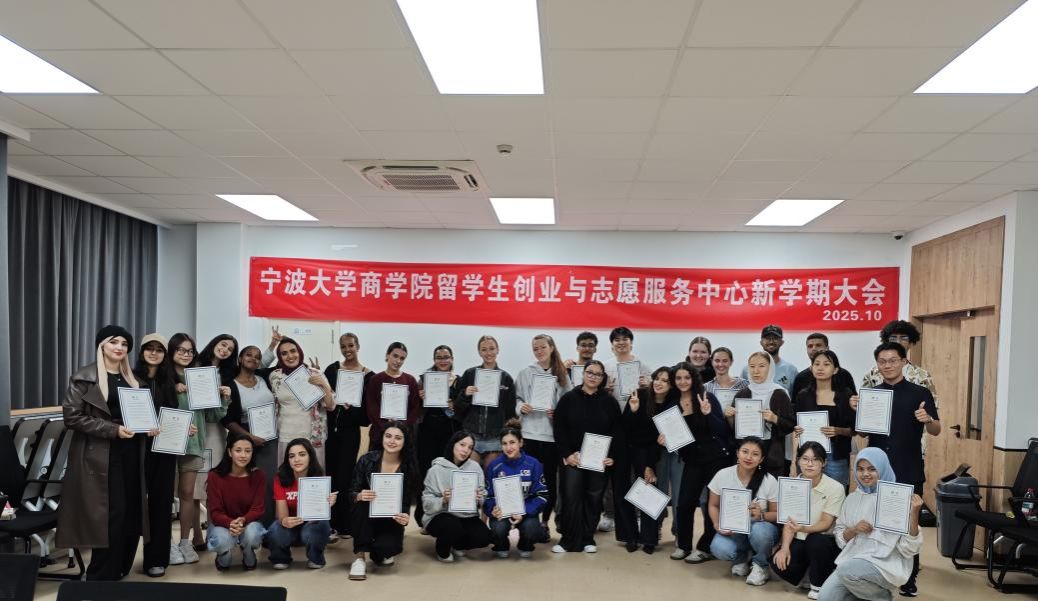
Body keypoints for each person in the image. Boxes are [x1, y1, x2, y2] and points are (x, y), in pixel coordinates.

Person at [57, 325, 153, 581]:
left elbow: (140, 416)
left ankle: (120, 567)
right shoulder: (84, 378)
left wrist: (150, 426)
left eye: (124, 344)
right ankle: (100, 575)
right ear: (101, 345)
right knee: (112, 513)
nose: (119, 347)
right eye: (114, 342)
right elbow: (72, 417)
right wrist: (113, 429)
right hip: (100, 454)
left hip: (131, 451)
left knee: (130, 510)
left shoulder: (134, 380)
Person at [851, 342, 939, 597]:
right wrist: (858, 410)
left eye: (892, 360)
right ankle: (879, 571)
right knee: (878, 522)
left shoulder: (919, 392)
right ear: (877, 365)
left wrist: (928, 419)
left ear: (903, 362)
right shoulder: (871, 394)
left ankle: (910, 577)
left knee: (909, 523)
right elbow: (862, 433)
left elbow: (936, 430)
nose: (887, 365)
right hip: (876, 470)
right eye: (882, 361)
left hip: (908, 466)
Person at [817, 449, 924, 601]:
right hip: (853, 561)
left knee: (847, 571)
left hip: (885, 564)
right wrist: (854, 530)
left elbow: (910, 549)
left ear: (883, 468)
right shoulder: (852, 499)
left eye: (872, 469)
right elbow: (840, 538)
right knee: (825, 597)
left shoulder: (896, 498)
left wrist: (914, 514)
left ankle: (883, 598)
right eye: (860, 469)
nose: (865, 474)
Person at [134, 333, 192, 577]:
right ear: (141, 352)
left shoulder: (168, 381)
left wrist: (183, 426)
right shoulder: (131, 378)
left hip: (164, 449)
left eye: (159, 349)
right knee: (132, 503)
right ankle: (123, 557)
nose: (154, 353)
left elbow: (172, 413)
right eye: (149, 348)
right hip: (135, 449)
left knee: (161, 503)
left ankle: (156, 559)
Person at [169, 332, 228, 562]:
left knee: (187, 494)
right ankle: (167, 544)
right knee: (164, 496)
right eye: (181, 350)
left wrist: (223, 398)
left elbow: (212, 416)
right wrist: (173, 389)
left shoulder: (199, 378)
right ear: (172, 351)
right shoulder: (164, 377)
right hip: (166, 445)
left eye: (190, 351)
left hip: (194, 445)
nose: (185, 354)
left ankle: (185, 542)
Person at [667, 362, 734, 563]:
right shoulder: (672, 404)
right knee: (684, 504)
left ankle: (705, 548)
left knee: (711, 504)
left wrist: (708, 414)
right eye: (678, 378)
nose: (683, 381)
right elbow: (676, 437)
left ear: (693, 379)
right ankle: (683, 546)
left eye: (686, 377)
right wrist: (666, 439)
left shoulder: (707, 397)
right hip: (693, 460)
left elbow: (723, 430)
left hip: (716, 458)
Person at [551, 360, 620, 553]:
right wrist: (567, 455)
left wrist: (612, 456)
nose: (593, 377)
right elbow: (559, 429)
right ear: (583, 373)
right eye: (590, 372)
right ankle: (567, 540)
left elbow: (617, 431)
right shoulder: (568, 399)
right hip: (574, 459)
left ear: (602, 378)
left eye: (598, 374)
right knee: (570, 497)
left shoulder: (610, 402)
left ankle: (588, 538)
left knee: (594, 497)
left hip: (598, 460)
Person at [770, 441, 846, 599]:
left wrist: (803, 528)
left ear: (824, 463)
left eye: (815, 459)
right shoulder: (791, 485)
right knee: (779, 564)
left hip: (824, 540)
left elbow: (826, 523)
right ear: (798, 461)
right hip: (800, 537)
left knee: (816, 541)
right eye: (805, 459)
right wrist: (784, 548)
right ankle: (808, 571)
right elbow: (788, 522)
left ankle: (818, 584)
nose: (809, 464)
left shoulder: (835, 488)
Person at [348, 422, 418, 581]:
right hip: (366, 515)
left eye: (398, 438)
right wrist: (359, 495)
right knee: (360, 506)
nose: (392, 441)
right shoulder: (366, 459)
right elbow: (351, 492)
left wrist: (405, 517)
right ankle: (359, 558)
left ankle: (377, 551)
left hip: (390, 518)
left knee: (387, 549)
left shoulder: (409, 466)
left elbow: (406, 501)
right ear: (382, 438)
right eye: (388, 436)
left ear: (405, 441)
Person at [707, 437, 780, 587]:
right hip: (734, 530)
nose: (749, 457)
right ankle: (743, 557)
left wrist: (761, 515)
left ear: (761, 459)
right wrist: (716, 524)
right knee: (719, 548)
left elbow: (777, 514)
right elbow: (713, 505)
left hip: (760, 527)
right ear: (737, 453)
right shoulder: (723, 475)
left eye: (755, 454)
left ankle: (761, 565)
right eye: (745, 451)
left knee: (760, 532)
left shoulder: (769, 480)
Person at [514, 334, 568, 531]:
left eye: (542, 347)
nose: (539, 351)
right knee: (528, 480)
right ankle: (529, 520)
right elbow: (516, 399)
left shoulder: (562, 374)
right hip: (529, 434)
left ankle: (545, 522)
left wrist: (558, 413)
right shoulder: (525, 373)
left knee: (549, 481)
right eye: (535, 348)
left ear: (551, 348)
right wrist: (521, 407)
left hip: (551, 437)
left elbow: (568, 403)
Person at [600, 326, 651, 534]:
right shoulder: (606, 366)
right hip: (613, 426)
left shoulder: (643, 366)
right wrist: (605, 391)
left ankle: (639, 515)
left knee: (638, 473)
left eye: (625, 339)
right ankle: (610, 514)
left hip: (636, 426)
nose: (621, 343)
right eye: (617, 340)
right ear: (612, 345)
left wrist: (646, 386)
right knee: (614, 474)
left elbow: (653, 396)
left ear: (631, 342)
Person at [323, 333, 373, 537]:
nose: (347, 350)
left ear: (358, 346)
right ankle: (328, 524)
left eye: (351, 345)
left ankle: (344, 524)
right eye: (343, 346)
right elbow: (323, 401)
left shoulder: (368, 376)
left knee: (345, 477)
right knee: (329, 476)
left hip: (350, 434)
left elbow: (366, 417)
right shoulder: (332, 370)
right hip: (329, 433)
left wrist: (352, 409)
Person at [222, 345, 277, 525]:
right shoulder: (231, 385)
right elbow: (227, 420)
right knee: (245, 483)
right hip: (244, 437)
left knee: (268, 481)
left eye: (257, 356)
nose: (253, 358)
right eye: (249, 355)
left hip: (269, 437)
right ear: (240, 358)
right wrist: (249, 438)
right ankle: (244, 525)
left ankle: (267, 526)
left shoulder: (264, 378)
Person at [421, 430, 492, 561]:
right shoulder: (435, 469)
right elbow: (426, 503)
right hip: (441, 515)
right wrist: (443, 499)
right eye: (462, 444)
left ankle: (457, 544)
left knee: (484, 537)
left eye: (470, 447)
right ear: (453, 444)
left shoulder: (475, 467)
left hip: (466, 515)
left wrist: (479, 498)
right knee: (452, 526)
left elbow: (483, 493)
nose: (465, 450)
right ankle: (442, 551)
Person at [267, 438, 337, 569]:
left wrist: (328, 504)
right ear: (287, 460)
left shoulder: (319, 477)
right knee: (275, 529)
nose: (296, 459)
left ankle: (316, 557)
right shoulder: (280, 478)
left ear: (310, 456)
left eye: (302, 454)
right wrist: (285, 521)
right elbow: (281, 515)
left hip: (311, 524)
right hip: (290, 525)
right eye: (291, 456)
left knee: (319, 526)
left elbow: (320, 514)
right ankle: (281, 557)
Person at [484, 420, 549, 558]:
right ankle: (501, 544)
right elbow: (487, 496)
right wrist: (492, 509)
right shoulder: (494, 466)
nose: (508, 447)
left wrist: (524, 511)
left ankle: (525, 544)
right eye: (504, 443)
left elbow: (542, 495)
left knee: (532, 529)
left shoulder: (533, 464)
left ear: (521, 442)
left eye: (512, 442)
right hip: (502, 512)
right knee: (498, 528)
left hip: (525, 511)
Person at [269, 337, 336, 466]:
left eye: (293, 351)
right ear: (280, 357)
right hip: (286, 434)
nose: (290, 356)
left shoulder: (315, 373)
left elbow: (330, 406)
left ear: (299, 352)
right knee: (287, 473)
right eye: (284, 353)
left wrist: (324, 385)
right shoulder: (275, 376)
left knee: (313, 474)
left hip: (312, 436)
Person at [205, 433, 267, 571]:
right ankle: (224, 555)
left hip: (248, 523)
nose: (243, 455)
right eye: (238, 450)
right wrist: (231, 523)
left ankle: (248, 552)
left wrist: (243, 520)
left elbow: (258, 508)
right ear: (229, 452)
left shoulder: (259, 476)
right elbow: (215, 512)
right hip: (223, 524)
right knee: (221, 541)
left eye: (248, 451)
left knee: (252, 535)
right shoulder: (214, 476)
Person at [794, 351, 856, 487]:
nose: (820, 368)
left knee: (837, 491)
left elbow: (854, 430)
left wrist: (838, 431)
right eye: (816, 364)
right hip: (808, 452)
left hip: (836, 453)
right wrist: (798, 429)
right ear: (811, 368)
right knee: (807, 491)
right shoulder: (803, 395)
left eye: (826, 364)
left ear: (835, 370)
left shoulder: (846, 395)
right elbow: (797, 422)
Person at [415, 344, 460, 527]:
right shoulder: (424, 379)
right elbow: (415, 408)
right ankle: (423, 516)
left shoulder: (459, 381)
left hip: (450, 431)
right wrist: (420, 397)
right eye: (439, 357)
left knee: (447, 472)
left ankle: (447, 515)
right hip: (427, 431)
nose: (442, 361)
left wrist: (454, 405)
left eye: (446, 357)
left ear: (452, 359)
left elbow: (464, 408)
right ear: (434, 360)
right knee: (426, 472)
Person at [729, 352, 794, 478]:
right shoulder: (742, 394)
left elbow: (791, 425)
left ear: (771, 368)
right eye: (752, 366)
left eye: (761, 366)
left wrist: (775, 419)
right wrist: (729, 416)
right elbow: (734, 429)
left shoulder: (780, 393)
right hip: (746, 457)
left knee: (769, 489)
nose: (756, 371)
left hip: (772, 457)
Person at [454, 335, 517, 467]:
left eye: (492, 348)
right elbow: (457, 408)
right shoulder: (470, 374)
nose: (488, 353)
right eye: (484, 349)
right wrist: (465, 395)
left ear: (497, 350)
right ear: (479, 352)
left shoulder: (506, 378)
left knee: (490, 475)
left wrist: (501, 426)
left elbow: (511, 410)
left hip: (494, 438)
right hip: (471, 435)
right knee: (472, 474)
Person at [644, 367, 681, 539]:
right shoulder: (646, 399)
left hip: (678, 451)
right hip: (658, 452)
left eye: (665, 381)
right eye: (657, 378)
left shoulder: (676, 401)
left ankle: (678, 531)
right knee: (659, 489)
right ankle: (655, 527)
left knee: (678, 492)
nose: (659, 383)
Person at [364, 342, 421, 450]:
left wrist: (400, 427)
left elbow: (415, 409)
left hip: (401, 436)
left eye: (402, 358)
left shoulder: (410, 380)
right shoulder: (375, 380)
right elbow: (372, 407)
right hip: (379, 435)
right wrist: (386, 428)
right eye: (395, 356)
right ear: (387, 355)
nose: (398, 361)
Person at [791, 333, 856, 401]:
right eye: (810, 346)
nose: (814, 349)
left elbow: (854, 401)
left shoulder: (844, 374)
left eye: (818, 345)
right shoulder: (800, 377)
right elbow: (795, 404)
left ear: (827, 348)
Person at [741, 325, 798, 394]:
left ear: (782, 342)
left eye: (775, 338)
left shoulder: (791, 370)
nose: (771, 341)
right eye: (767, 338)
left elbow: (795, 398)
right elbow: (742, 396)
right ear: (761, 342)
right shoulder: (747, 370)